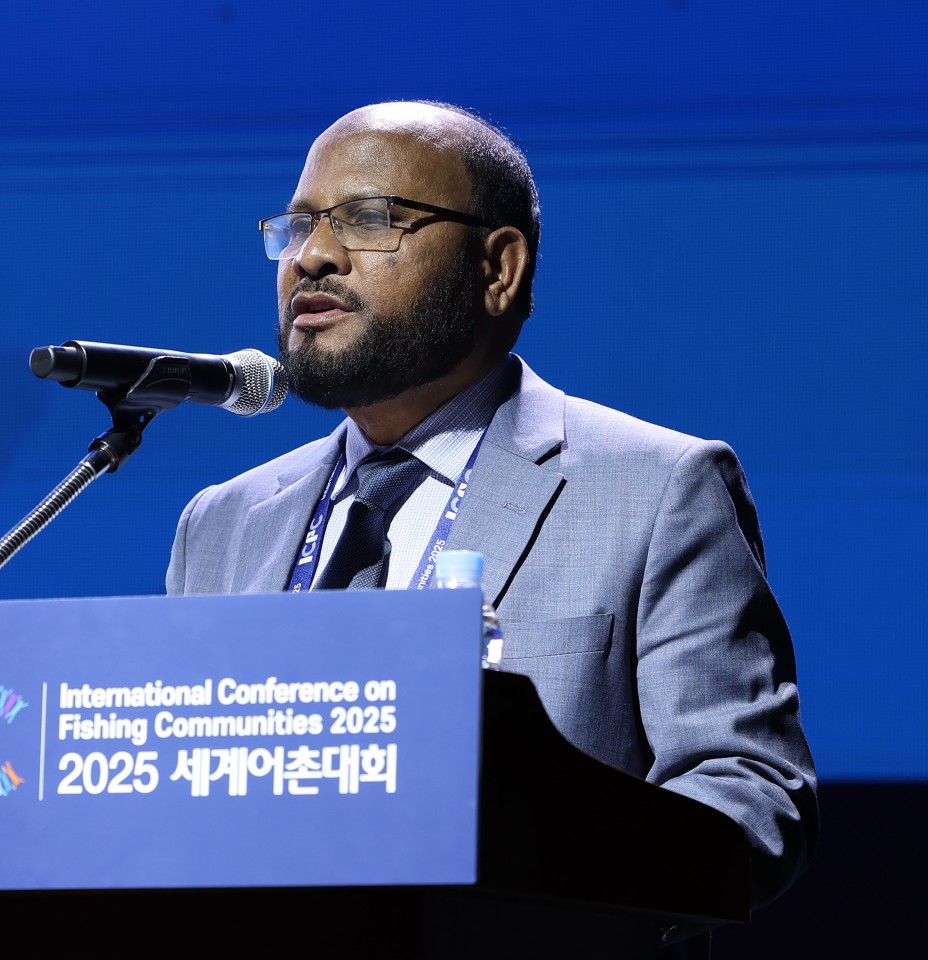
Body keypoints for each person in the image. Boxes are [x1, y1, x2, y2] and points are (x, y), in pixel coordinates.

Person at [166, 100, 817, 951]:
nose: (312, 255)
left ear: (499, 267)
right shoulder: (222, 523)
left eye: (370, 219)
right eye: (298, 225)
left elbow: (751, 798)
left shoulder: (658, 488)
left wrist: (525, 869)